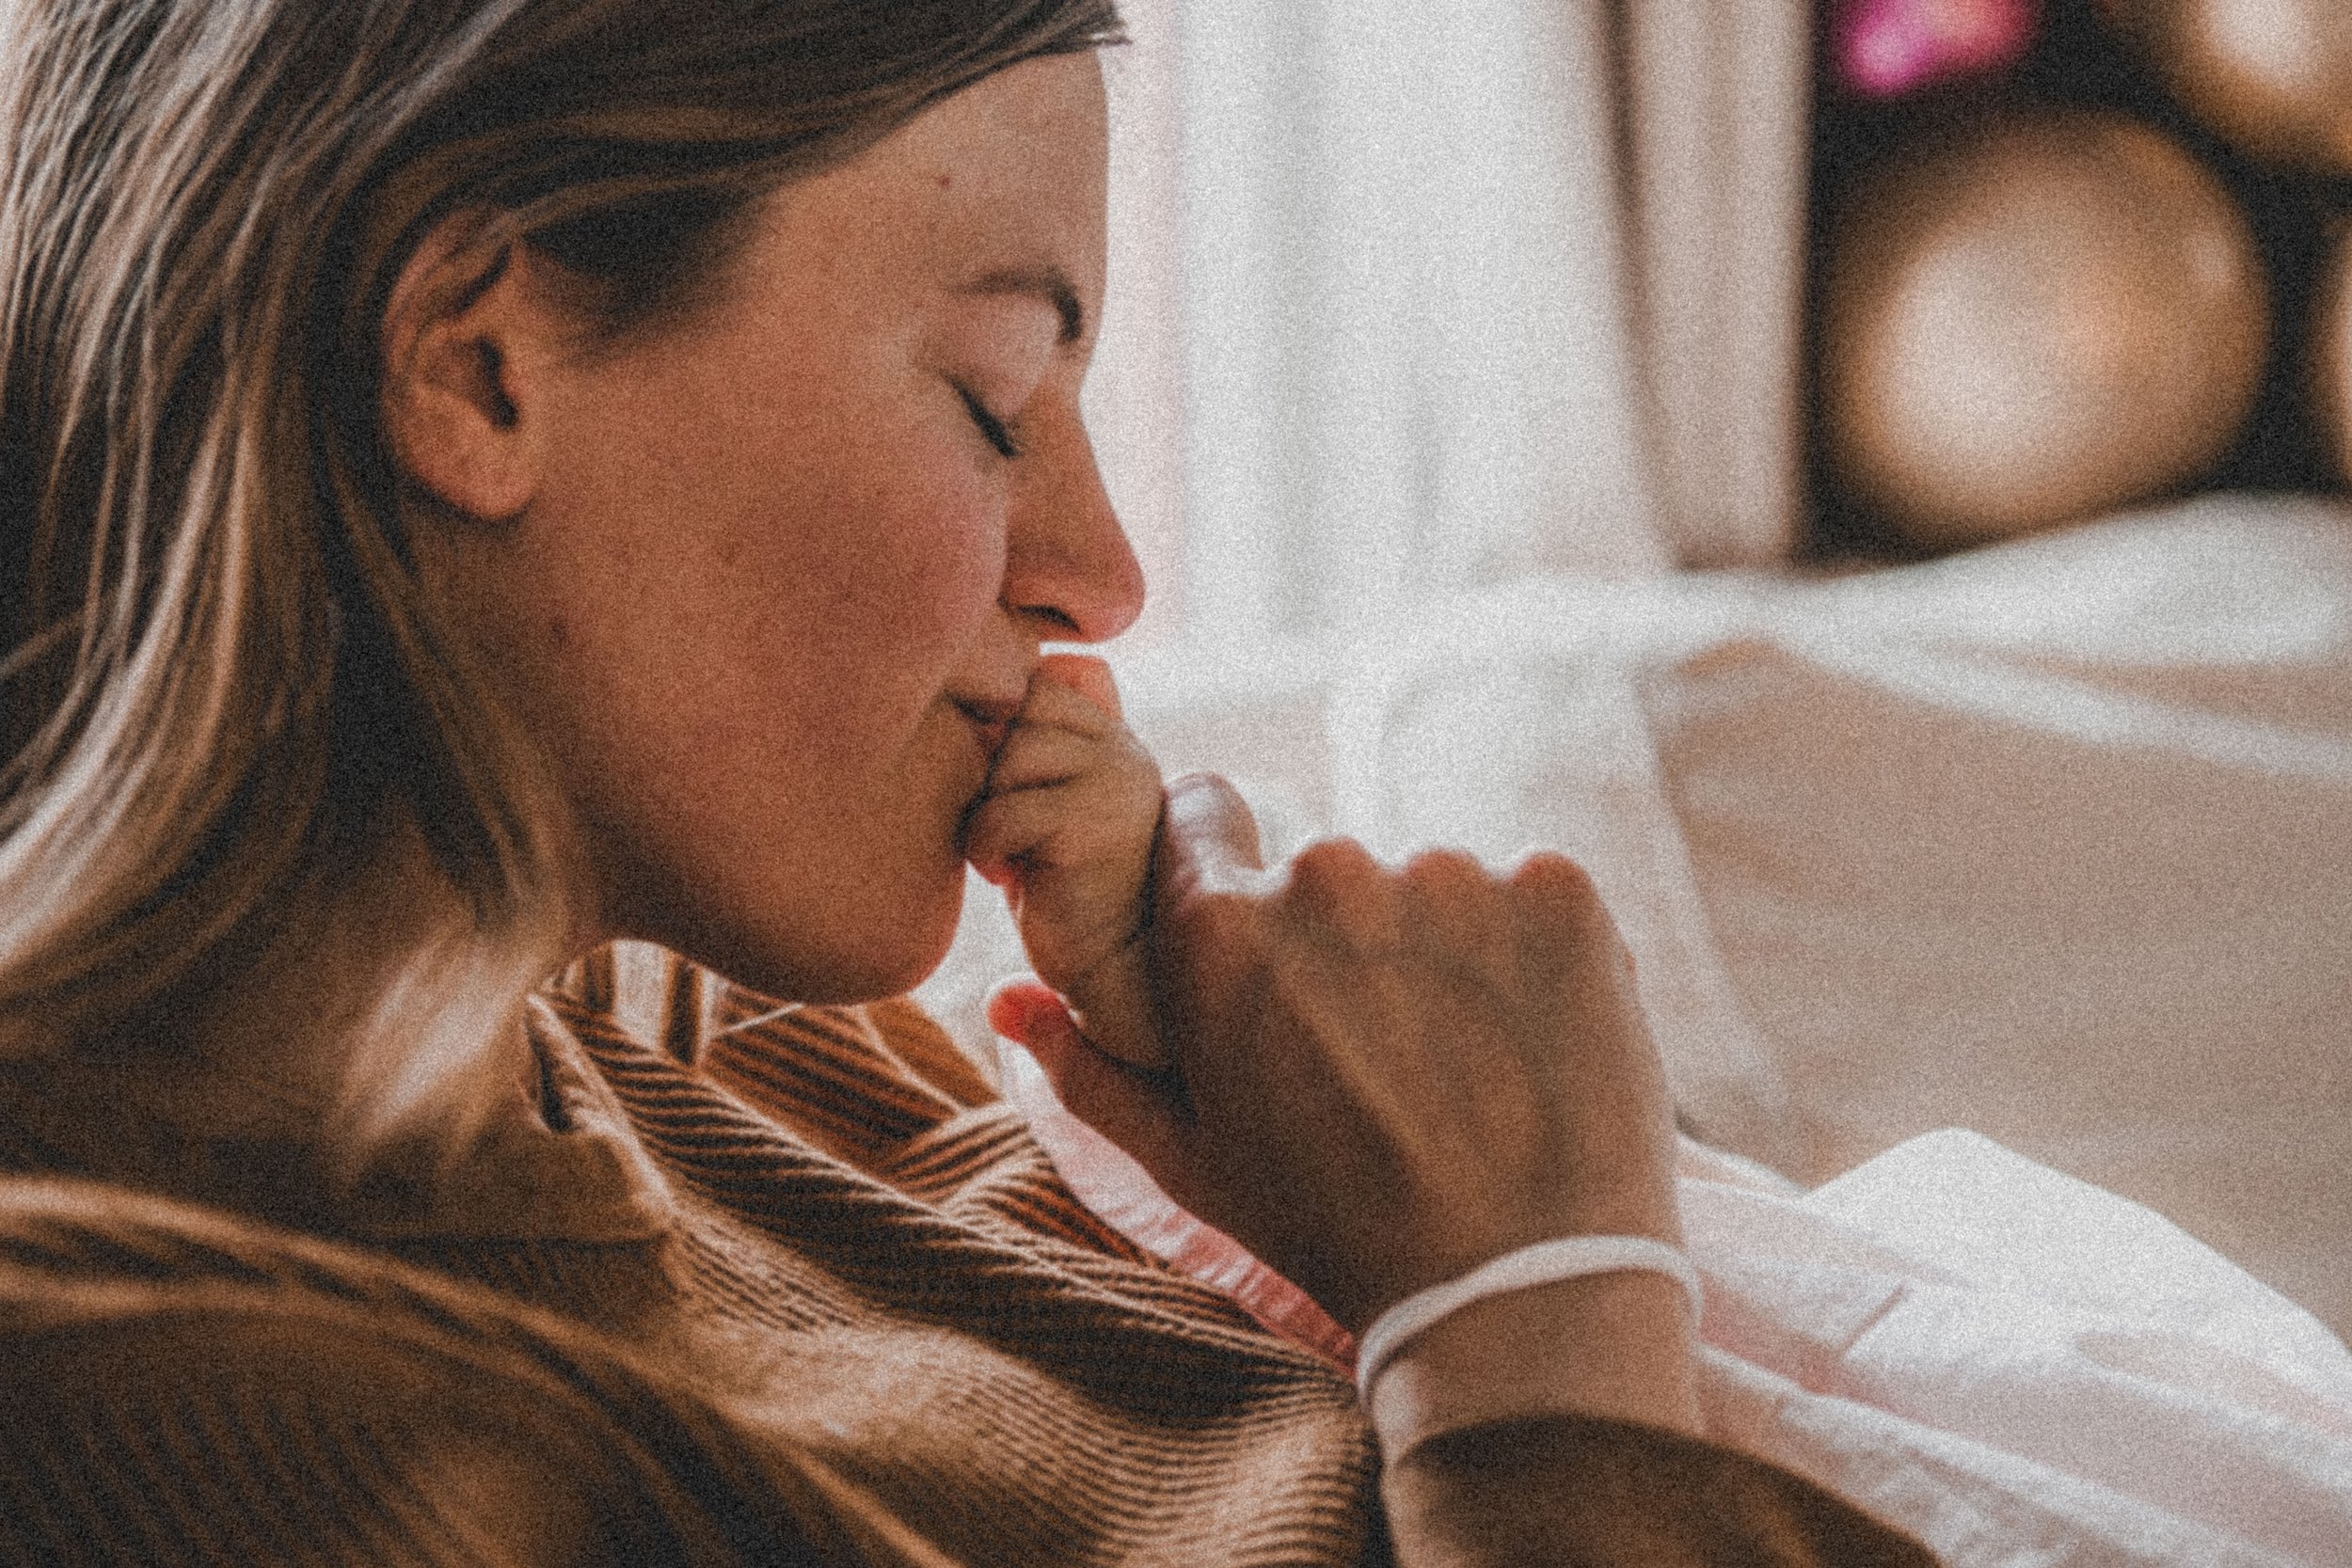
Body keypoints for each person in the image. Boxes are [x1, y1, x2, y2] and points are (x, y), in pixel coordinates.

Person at [0, 1, 1937, 1562]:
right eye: (994, 399)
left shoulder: (646, 1037)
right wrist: (1545, 1365)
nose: (1100, 574)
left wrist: (1335, 1176)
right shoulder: (190, 1420)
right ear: (474, 369)